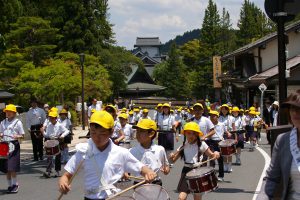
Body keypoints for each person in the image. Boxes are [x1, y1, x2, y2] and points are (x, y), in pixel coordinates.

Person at [59, 110, 157, 200]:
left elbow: (141, 168)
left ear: (111, 131)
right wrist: (63, 183)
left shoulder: (121, 153)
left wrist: (149, 173)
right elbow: (66, 175)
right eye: (93, 132)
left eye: (102, 133)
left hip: (112, 198)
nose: (97, 137)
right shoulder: (84, 151)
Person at [169, 122, 220, 200]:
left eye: (194, 134)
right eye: (189, 133)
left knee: (197, 197)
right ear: (185, 134)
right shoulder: (183, 146)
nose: (191, 136)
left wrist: (216, 153)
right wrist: (171, 157)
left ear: (197, 135)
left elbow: (211, 155)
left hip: (198, 171)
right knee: (181, 197)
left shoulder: (202, 144)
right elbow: (172, 161)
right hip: (186, 171)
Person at [264, 89, 300, 199]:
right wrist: (270, 196)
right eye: (292, 108)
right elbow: (272, 177)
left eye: (299, 109)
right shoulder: (283, 140)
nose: (294, 112)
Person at [129, 119, 170, 185]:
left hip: (156, 183)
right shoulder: (131, 151)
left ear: (151, 134)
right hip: (138, 183)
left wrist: (166, 170)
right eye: (137, 131)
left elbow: (166, 166)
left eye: (141, 131)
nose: (138, 134)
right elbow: (126, 169)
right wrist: (124, 173)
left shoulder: (160, 150)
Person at [0, 104, 25, 193]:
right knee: (6, 167)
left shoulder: (18, 122)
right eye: (7, 111)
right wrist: (1, 134)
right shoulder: (3, 122)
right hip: (4, 145)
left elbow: (22, 135)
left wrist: (17, 136)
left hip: (14, 145)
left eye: (10, 112)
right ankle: (10, 185)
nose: (8, 113)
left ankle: (15, 184)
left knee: (12, 166)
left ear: (14, 113)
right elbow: (1, 133)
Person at [42, 111, 69, 178]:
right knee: (49, 157)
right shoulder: (49, 126)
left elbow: (67, 131)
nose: (51, 119)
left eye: (52, 118)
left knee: (57, 157)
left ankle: (58, 171)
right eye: (50, 118)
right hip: (50, 141)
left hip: (57, 141)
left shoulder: (59, 125)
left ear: (55, 118)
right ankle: (48, 171)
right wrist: (42, 132)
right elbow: (47, 135)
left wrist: (62, 135)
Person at [207, 110, 225, 181]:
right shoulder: (208, 125)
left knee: (220, 160)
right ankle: (212, 175)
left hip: (219, 142)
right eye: (211, 116)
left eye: (214, 116)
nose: (212, 117)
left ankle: (221, 176)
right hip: (211, 142)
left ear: (217, 117)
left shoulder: (222, 124)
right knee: (212, 158)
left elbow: (224, 132)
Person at [219, 104, 235, 172]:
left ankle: (230, 166)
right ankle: (225, 165)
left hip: (230, 135)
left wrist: (235, 137)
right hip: (222, 135)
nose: (224, 110)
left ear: (228, 110)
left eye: (225, 109)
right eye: (222, 109)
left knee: (230, 152)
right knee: (224, 152)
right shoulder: (219, 117)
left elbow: (234, 128)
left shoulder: (232, 118)